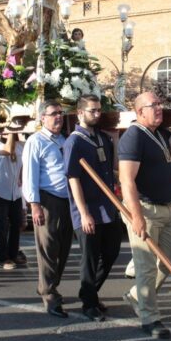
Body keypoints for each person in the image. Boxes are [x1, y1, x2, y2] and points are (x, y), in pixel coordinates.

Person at [118, 92, 171, 339]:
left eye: (160, 104)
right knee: (146, 266)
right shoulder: (133, 136)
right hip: (145, 209)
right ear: (140, 111)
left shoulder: (160, 133)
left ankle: (136, 296)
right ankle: (150, 318)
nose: (159, 108)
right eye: (153, 106)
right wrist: (136, 215)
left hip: (168, 208)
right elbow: (126, 178)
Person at [63, 94, 123, 322]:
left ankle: (89, 292)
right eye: (92, 111)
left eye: (99, 110)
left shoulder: (102, 138)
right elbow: (73, 179)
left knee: (111, 253)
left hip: (107, 208)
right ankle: (89, 303)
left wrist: (116, 139)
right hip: (88, 211)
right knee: (89, 258)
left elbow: (113, 168)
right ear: (80, 113)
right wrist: (84, 213)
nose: (97, 114)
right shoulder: (74, 142)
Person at [22, 100, 72, 318]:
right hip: (47, 200)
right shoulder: (36, 141)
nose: (58, 117)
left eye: (61, 113)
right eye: (53, 114)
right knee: (48, 248)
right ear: (42, 118)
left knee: (64, 248)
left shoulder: (64, 140)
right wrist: (34, 205)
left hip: (68, 200)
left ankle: (48, 285)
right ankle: (49, 294)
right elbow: (30, 175)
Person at [0, 132, 26, 270]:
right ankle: (2, 258)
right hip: (0, 191)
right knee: (2, 225)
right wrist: (11, 131)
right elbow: (8, 151)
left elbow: (22, 165)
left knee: (17, 224)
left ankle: (13, 254)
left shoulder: (21, 146)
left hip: (15, 192)